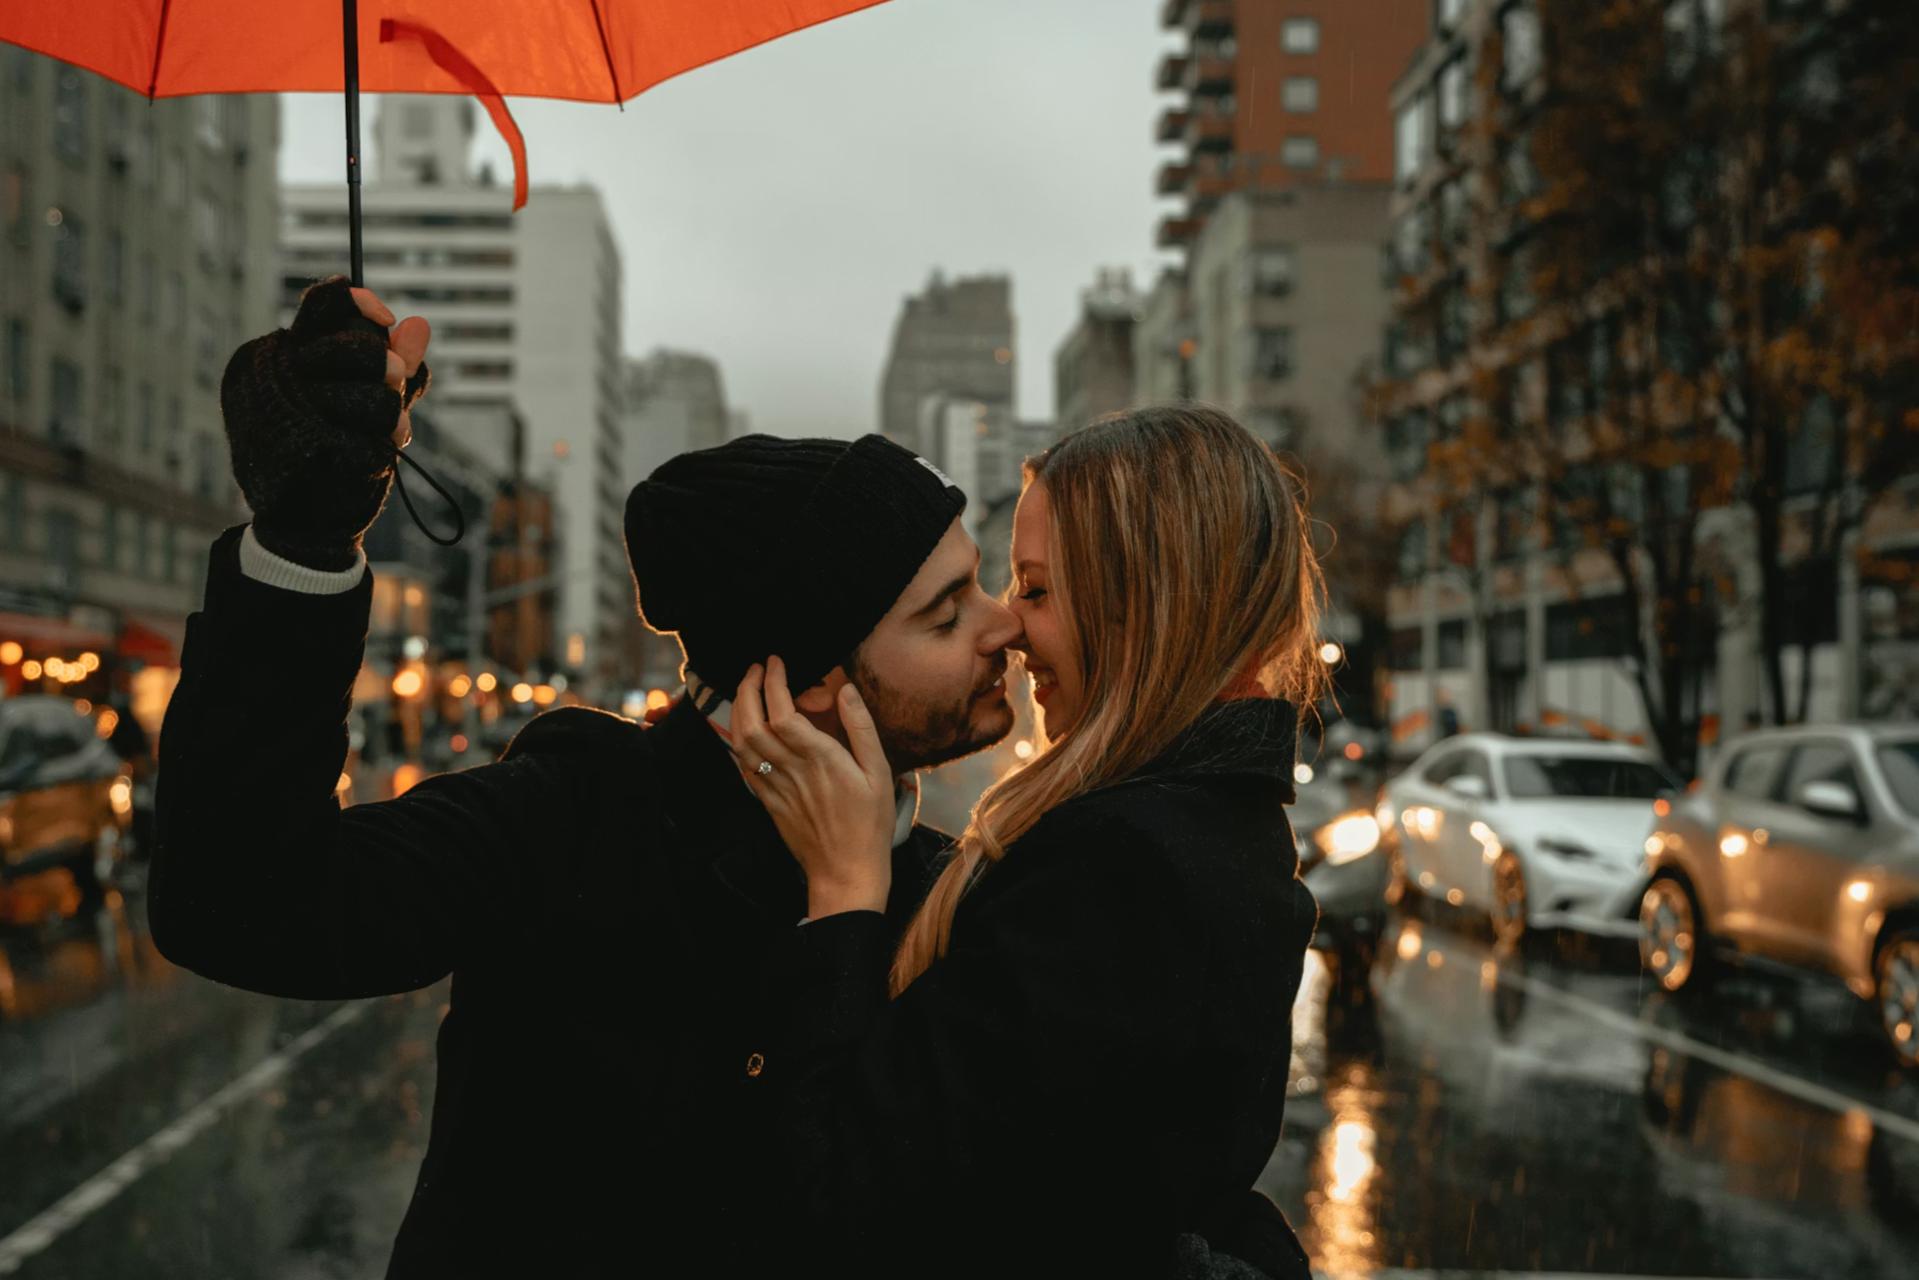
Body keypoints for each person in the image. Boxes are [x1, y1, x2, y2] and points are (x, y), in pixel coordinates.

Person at [146, 276, 1024, 1276]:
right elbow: (241, 902)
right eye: (945, 614)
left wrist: (850, 906)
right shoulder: (577, 817)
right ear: (811, 683)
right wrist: (302, 544)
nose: (1002, 625)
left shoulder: (954, 892)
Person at [724, 406, 1326, 1279]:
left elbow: (844, 1206)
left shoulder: (1129, 868)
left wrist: (843, 893)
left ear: (1145, 605)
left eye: (1036, 590)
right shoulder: (1203, 827)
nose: (1007, 626)